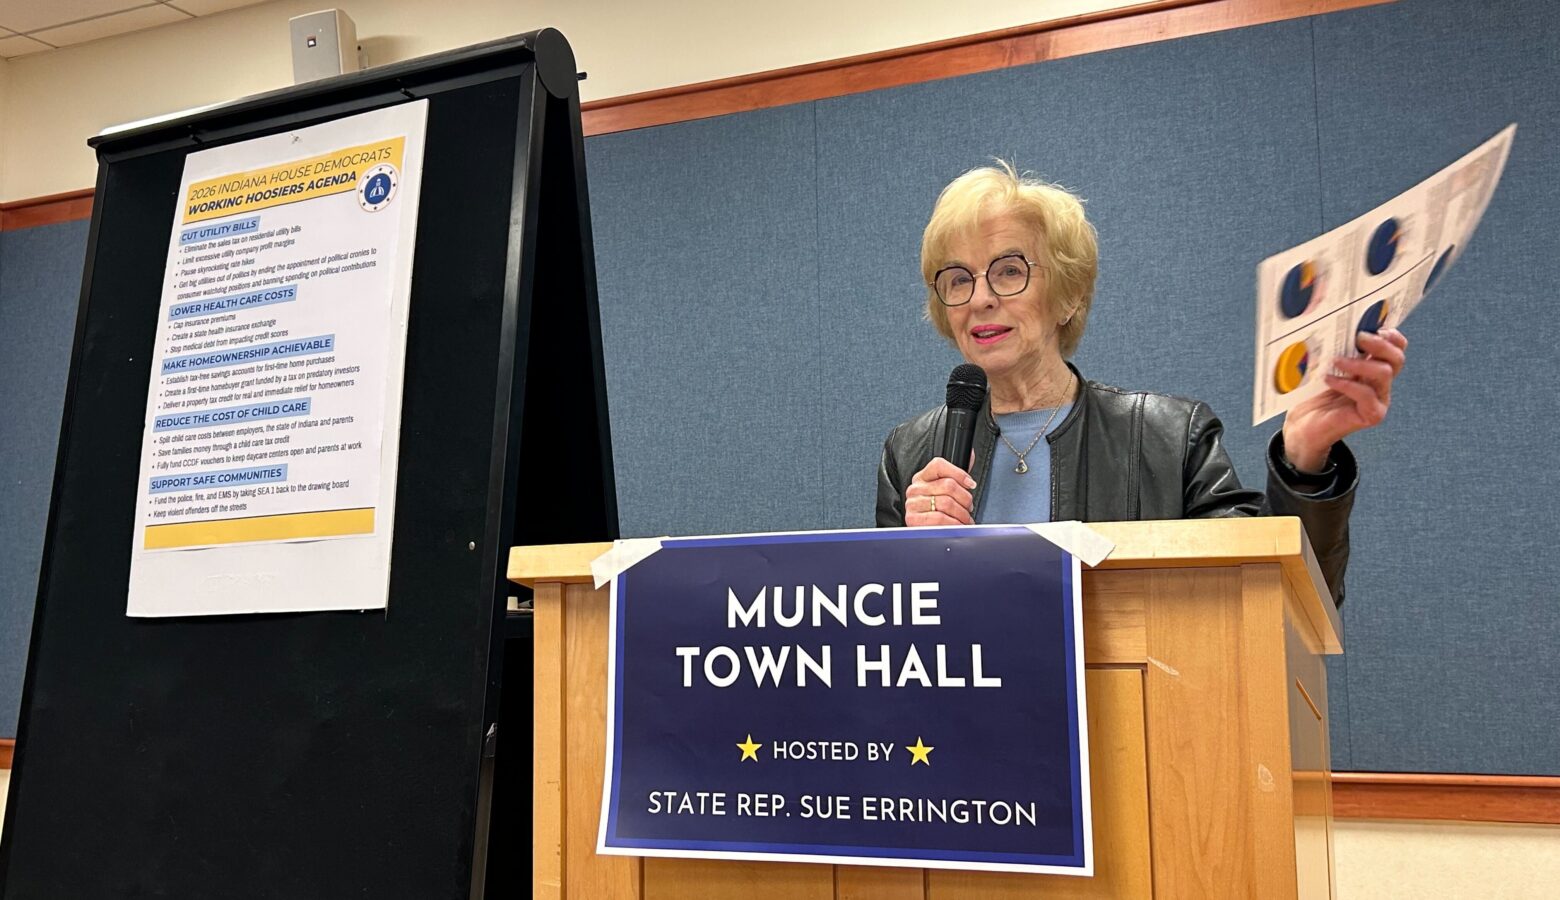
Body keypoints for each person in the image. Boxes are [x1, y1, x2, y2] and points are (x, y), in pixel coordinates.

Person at [875, 163, 1408, 606]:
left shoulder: (1168, 438)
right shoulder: (912, 452)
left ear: (1068, 296)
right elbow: (885, 635)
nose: (980, 298)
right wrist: (913, 552)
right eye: (958, 279)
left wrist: (1304, 459)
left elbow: (1281, 600)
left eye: (1008, 271)